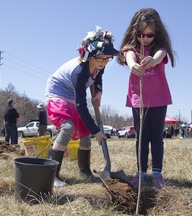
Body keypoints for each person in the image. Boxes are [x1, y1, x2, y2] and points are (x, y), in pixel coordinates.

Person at [45, 26, 119, 187]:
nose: (105, 62)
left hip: (72, 95)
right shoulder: (79, 72)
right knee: (68, 128)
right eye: (101, 58)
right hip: (58, 93)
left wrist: (98, 91)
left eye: (108, 58)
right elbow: (81, 105)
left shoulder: (100, 64)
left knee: (85, 133)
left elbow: (99, 76)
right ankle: (52, 175)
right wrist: (97, 131)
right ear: (90, 56)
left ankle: (84, 170)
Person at [118, 8, 176, 189]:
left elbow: (160, 56)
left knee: (156, 136)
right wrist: (132, 64)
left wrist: (154, 60)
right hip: (138, 100)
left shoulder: (160, 48)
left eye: (149, 35)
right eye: (140, 34)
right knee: (141, 137)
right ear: (135, 32)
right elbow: (128, 55)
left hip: (159, 99)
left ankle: (157, 172)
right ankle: (141, 172)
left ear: (156, 33)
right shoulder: (132, 48)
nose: (144, 38)